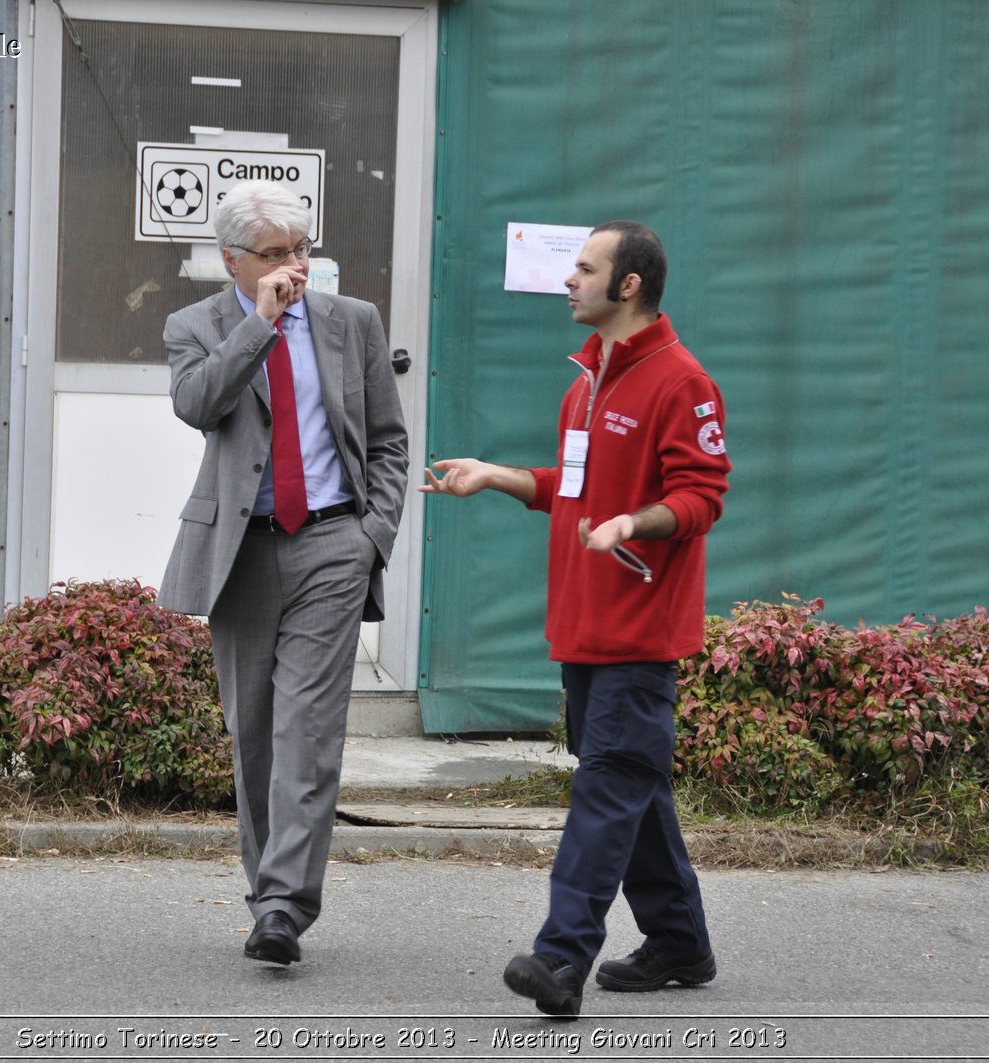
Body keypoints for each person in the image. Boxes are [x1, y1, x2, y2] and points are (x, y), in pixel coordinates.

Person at [422, 220, 728, 1017]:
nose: (569, 281)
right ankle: (680, 941)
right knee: (633, 788)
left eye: (585, 269)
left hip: (637, 631)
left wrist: (637, 522)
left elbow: (702, 495)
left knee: (607, 789)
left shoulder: (680, 380)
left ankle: (561, 959)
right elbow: (575, 485)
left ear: (628, 285)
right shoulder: (584, 383)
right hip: (585, 628)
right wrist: (496, 476)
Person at [158, 180, 409, 966]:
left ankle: (282, 906)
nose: (295, 266)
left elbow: (388, 438)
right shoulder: (194, 325)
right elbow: (199, 404)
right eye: (275, 254)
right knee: (256, 731)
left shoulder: (350, 322)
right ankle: (265, 887)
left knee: (307, 728)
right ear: (232, 260)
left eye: (302, 249)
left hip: (332, 543)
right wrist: (259, 325)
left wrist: (373, 534)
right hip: (242, 550)